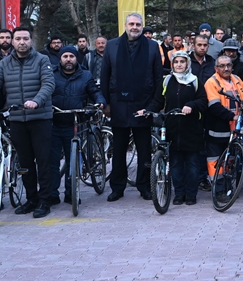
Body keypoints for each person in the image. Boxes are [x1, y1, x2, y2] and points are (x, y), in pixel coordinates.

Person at [0, 25, 56, 216]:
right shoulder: (5, 64)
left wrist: (36, 101)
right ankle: (31, 199)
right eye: (18, 39)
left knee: (43, 161)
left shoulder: (42, 60)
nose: (22, 42)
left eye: (25, 39)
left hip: (40, 118)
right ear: (13, 42)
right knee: (24, 163)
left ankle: (45, 201)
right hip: (16, 119)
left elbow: (49, 84)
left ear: (31, 41)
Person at [99, 13, 164, 201]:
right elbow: (105, 76)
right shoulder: (112, 45)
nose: (134, 27)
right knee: (118, 149)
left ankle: (144, 186)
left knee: (144, 149)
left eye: (138, 24)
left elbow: (158, 78)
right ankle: (117, 187)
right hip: (118, 104)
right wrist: (106, 103)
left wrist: (154, 105)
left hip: (143, 105)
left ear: (142, 26)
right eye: (131, 24)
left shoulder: (152, 47)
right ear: (125, 25)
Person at [145, 51, 206, 205]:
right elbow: (158, 101)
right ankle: (179, 193)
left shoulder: (195, 81)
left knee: (192, 165)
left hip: (191, 130)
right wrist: (147, 110)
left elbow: (203, 101)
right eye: (176, 62)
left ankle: (191, 194)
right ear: (172, 64)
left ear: (187, 64)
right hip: (172, 129)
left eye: (182, 62)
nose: (179, 65)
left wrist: (191, 105)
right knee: (176, 165)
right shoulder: (167, 81)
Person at [50, 46, 105, 205]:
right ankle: (52, 194)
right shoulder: (51, 75)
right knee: (52, 162)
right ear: (60, 58)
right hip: (54, 122)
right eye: (65, 56)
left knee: (73, 161)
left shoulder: (85, 75)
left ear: (76, 58)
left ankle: (70, 193)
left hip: (75, 123)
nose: (68, 59)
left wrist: (100, 101)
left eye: (71, 56)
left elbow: (94, 91)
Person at [203, 53, 243, 187]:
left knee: (230, 159)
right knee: (215, 160)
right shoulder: (212, 82)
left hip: (236, 129)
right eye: (222, 66)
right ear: (216, 68)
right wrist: (232, 116)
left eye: (228, 65)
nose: (226, 68)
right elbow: (214, 106)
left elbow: (242, 100)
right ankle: (219, 189)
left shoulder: (237, 80)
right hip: (217, 129)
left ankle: (229, 186)